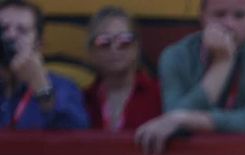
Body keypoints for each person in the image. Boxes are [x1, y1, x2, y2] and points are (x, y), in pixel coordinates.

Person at [137, 0, 245, 155]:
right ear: (202, 17)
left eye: (239, 15)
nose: (229, 24)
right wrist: (222, 64)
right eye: (219, 15)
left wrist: (185, 119)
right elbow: (172, 118)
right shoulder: (176, 56)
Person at [0, 0, 87, 130]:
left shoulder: (62, 87)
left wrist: (42, 88)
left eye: (22, 30)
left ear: (39, 44)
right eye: (3, 29)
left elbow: (77, 135)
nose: (10, 36)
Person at [82, 6, 161, 132]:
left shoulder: (159, 95)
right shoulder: (83, 100)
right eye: (104, 42)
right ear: (92, 52)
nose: (114, 48)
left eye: (124, 40)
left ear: (137, 47)